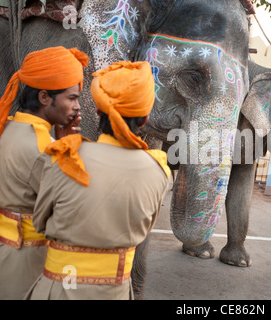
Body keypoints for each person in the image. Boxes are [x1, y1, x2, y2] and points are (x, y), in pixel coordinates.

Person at [25, 61, 170, 300]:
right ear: (144, 120)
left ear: (97, 112)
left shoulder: (64, 157)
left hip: (59, 289)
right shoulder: (159, 171)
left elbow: (40, 223)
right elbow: (144, 230)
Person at [0, 46, 88, 299]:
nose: (77, 107)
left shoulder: (9, 126)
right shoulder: (42, 147)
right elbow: (68, 209)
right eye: (72, 98)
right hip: (28, 261)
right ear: (45, 97)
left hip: (5, 251)